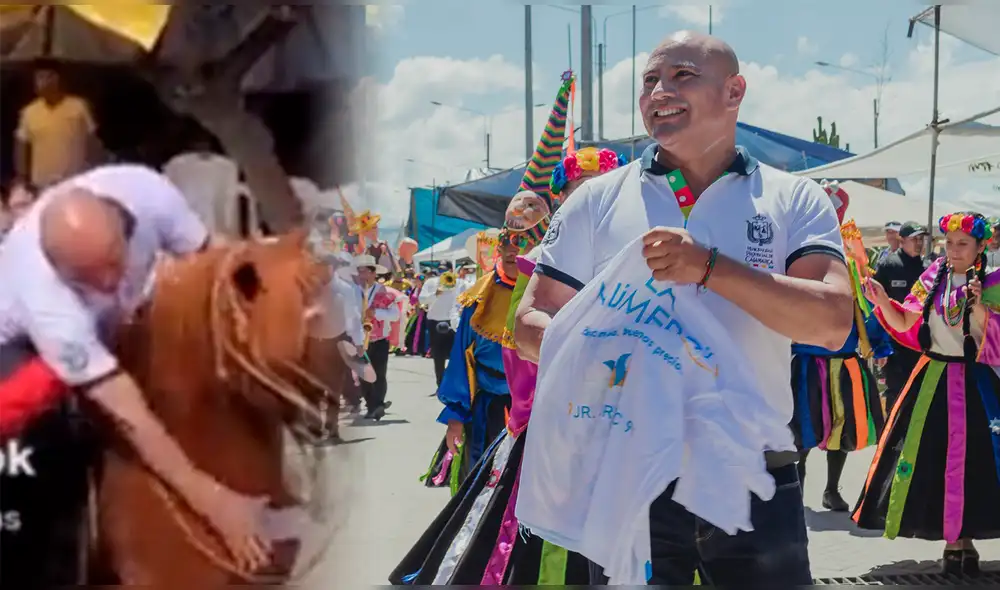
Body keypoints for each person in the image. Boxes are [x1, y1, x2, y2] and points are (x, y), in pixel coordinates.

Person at [515, 31, 854, 586]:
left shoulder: (794, 198)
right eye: (649, 80)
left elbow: (831, 321)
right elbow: (531, 323)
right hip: (628, 478)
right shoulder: (597, 199)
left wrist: (710, 267)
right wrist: (612, 352)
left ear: (734, 91)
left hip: (755, 477)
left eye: (682, 76)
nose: (659, 92)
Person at [0, 165, 274, 586]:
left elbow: (212, 264)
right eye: (87, 281)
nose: (110, 283)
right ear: (60, 272)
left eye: (113, 263)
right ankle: (57, 560)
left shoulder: (147, 192)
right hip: (22, 356)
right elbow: (126, 409)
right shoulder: (43, 295)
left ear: (123, 224)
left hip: (115, 326)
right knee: (47, 441)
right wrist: (215, 504)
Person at [855, 211, 1000, 576]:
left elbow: (993, 341)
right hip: (932, 382)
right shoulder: (933, 277)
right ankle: (954, 543)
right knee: (936, 462)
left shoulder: (995, 283)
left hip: (977, 386)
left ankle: (964, 541)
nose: (953, 250)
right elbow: (907, 322)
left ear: (982, 246)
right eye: (949, 243)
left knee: (975, 464)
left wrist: (981, 306)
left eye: (963, 244)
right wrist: (884, 300)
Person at [791, 181, 891, 512]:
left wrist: (878, 343)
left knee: (842, 431)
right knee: (801, 431)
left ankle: (831, 489)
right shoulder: (795, 248)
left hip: (845, 358)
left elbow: (865, 306)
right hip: (806, 358)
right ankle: (797, 491)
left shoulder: (851, 256)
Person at [422, 230, 519, 490]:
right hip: (485, 411)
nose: (513, 250)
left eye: (522, 242)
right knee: (479, 487)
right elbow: (459, 362)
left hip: (530, 411)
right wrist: (455, 418)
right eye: (507, 243)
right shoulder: (478, 297)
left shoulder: (548, 292)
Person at [14, 59, 103, 189]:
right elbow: (21, 146)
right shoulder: (29, 112)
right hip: (41, 184)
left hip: (75, 181)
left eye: (44, 77)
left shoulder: (79, 107)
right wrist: (21, 178)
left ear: (56, 79)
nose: (40, 83)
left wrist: (96, 171)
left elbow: (92, 141)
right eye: (38, 78)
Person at [873, 221, 928, 411]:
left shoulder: (928, 269)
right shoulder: (888, 265)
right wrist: (880, 346)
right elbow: (875, 306)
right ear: (902, 240)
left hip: (921, 344)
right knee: (896, 393)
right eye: (914, 239)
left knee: (921, 394)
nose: (919, 243)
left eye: (921, 239)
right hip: (894, 343)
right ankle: (893, 439)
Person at [162, 133, 241, 236]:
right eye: (198, 143)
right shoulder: (177, 165)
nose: (202, 148)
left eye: (204, 144)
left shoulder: (226, 166)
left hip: (218, 232)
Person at [357, 253, 398, 420]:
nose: (362, 275)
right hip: (358, 339)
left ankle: (378, 404)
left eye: (366, 271)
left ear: (374, 273)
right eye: (360, 271)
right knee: (362, 376)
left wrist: (377, 312)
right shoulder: (351, 291)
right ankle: (370, 404)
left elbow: (395, 314)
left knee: (379, 374)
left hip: (379, 338)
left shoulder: (386, 292)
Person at [420, 264, 466, 386]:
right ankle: (440, 383)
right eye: (440, 270)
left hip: (453, 322)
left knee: (456, 355)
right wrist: (435, 294)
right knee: (438, 356)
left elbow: (467, 298)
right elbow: (422, 300)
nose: (443, 272)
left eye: (445, 270)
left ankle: (453, 383)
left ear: (451, 270)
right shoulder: (431, 282)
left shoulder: (460, 283)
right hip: (435, 322)